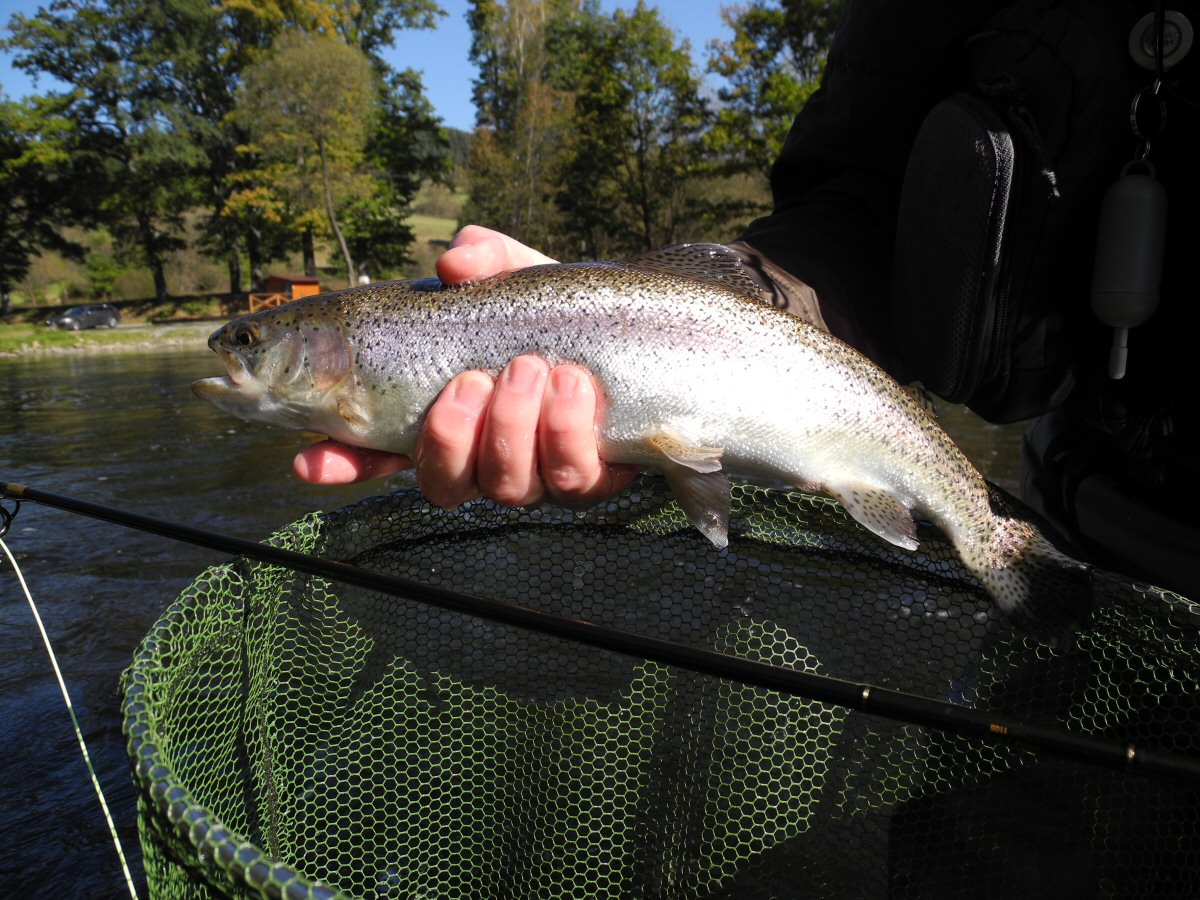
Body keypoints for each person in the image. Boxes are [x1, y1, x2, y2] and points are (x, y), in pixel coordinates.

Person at [295, 0, 1199, 598]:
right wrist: (738, 292)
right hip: (1081, 502)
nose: (243, 358)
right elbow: (861, 203)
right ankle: (1006, 553)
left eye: (253, 345)